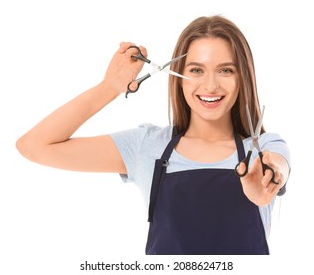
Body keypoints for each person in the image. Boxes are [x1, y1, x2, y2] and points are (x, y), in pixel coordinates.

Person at [16, 15, 290, 255]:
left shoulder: (263, 146)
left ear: (244, 77)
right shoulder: (147, 145)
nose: (210, 85)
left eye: (226, 70)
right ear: (178, 75)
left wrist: (267, 182)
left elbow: (277, 168)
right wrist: (109, 87)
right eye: (196, 70)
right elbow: (34, 146)